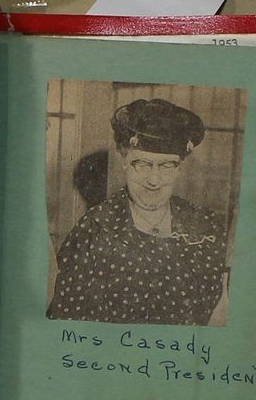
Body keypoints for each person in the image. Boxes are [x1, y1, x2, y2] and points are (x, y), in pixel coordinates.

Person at [47, 97, 233, 326]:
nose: (154, 180)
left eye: (166, 165)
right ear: (124, 159)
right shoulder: (94, 230)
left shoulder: (205, 226)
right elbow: (68, 326)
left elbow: (220, 314)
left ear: (179, 167)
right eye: (142, 164)